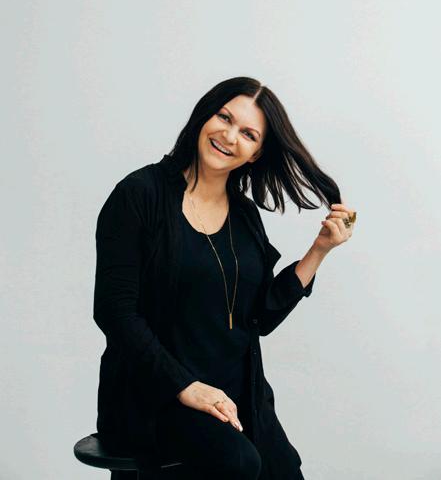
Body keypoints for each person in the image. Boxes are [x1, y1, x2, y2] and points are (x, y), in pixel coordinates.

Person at [93, 76, 356, 479]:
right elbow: (115, 313)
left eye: (248, 134)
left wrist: (319, 251)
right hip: (156, 393)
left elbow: (260, 318)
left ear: (255, 154)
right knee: (238, 462)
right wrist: (186, 387)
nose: (230, 136)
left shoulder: (245, 216)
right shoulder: (139, 195)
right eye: (224, 117)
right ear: (204, 116)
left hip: (236, 394)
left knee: (284, 470)